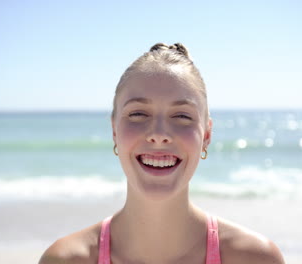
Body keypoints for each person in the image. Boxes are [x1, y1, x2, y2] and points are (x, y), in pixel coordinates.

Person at [39, 43, 285, 264]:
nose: (158, 134)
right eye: (138, 114)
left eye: (181, 116)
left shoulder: (255, 259)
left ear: (207, 135)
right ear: (114, 130)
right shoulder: (66, 260)